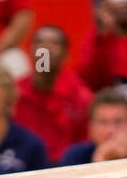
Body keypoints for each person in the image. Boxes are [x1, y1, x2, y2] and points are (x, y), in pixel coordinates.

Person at [13, 24, 93, 163]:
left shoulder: (81, 96)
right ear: (30, 50)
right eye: (40, 42)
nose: (46, 48)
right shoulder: (14, 94)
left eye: (54, 43)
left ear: (66, 54)